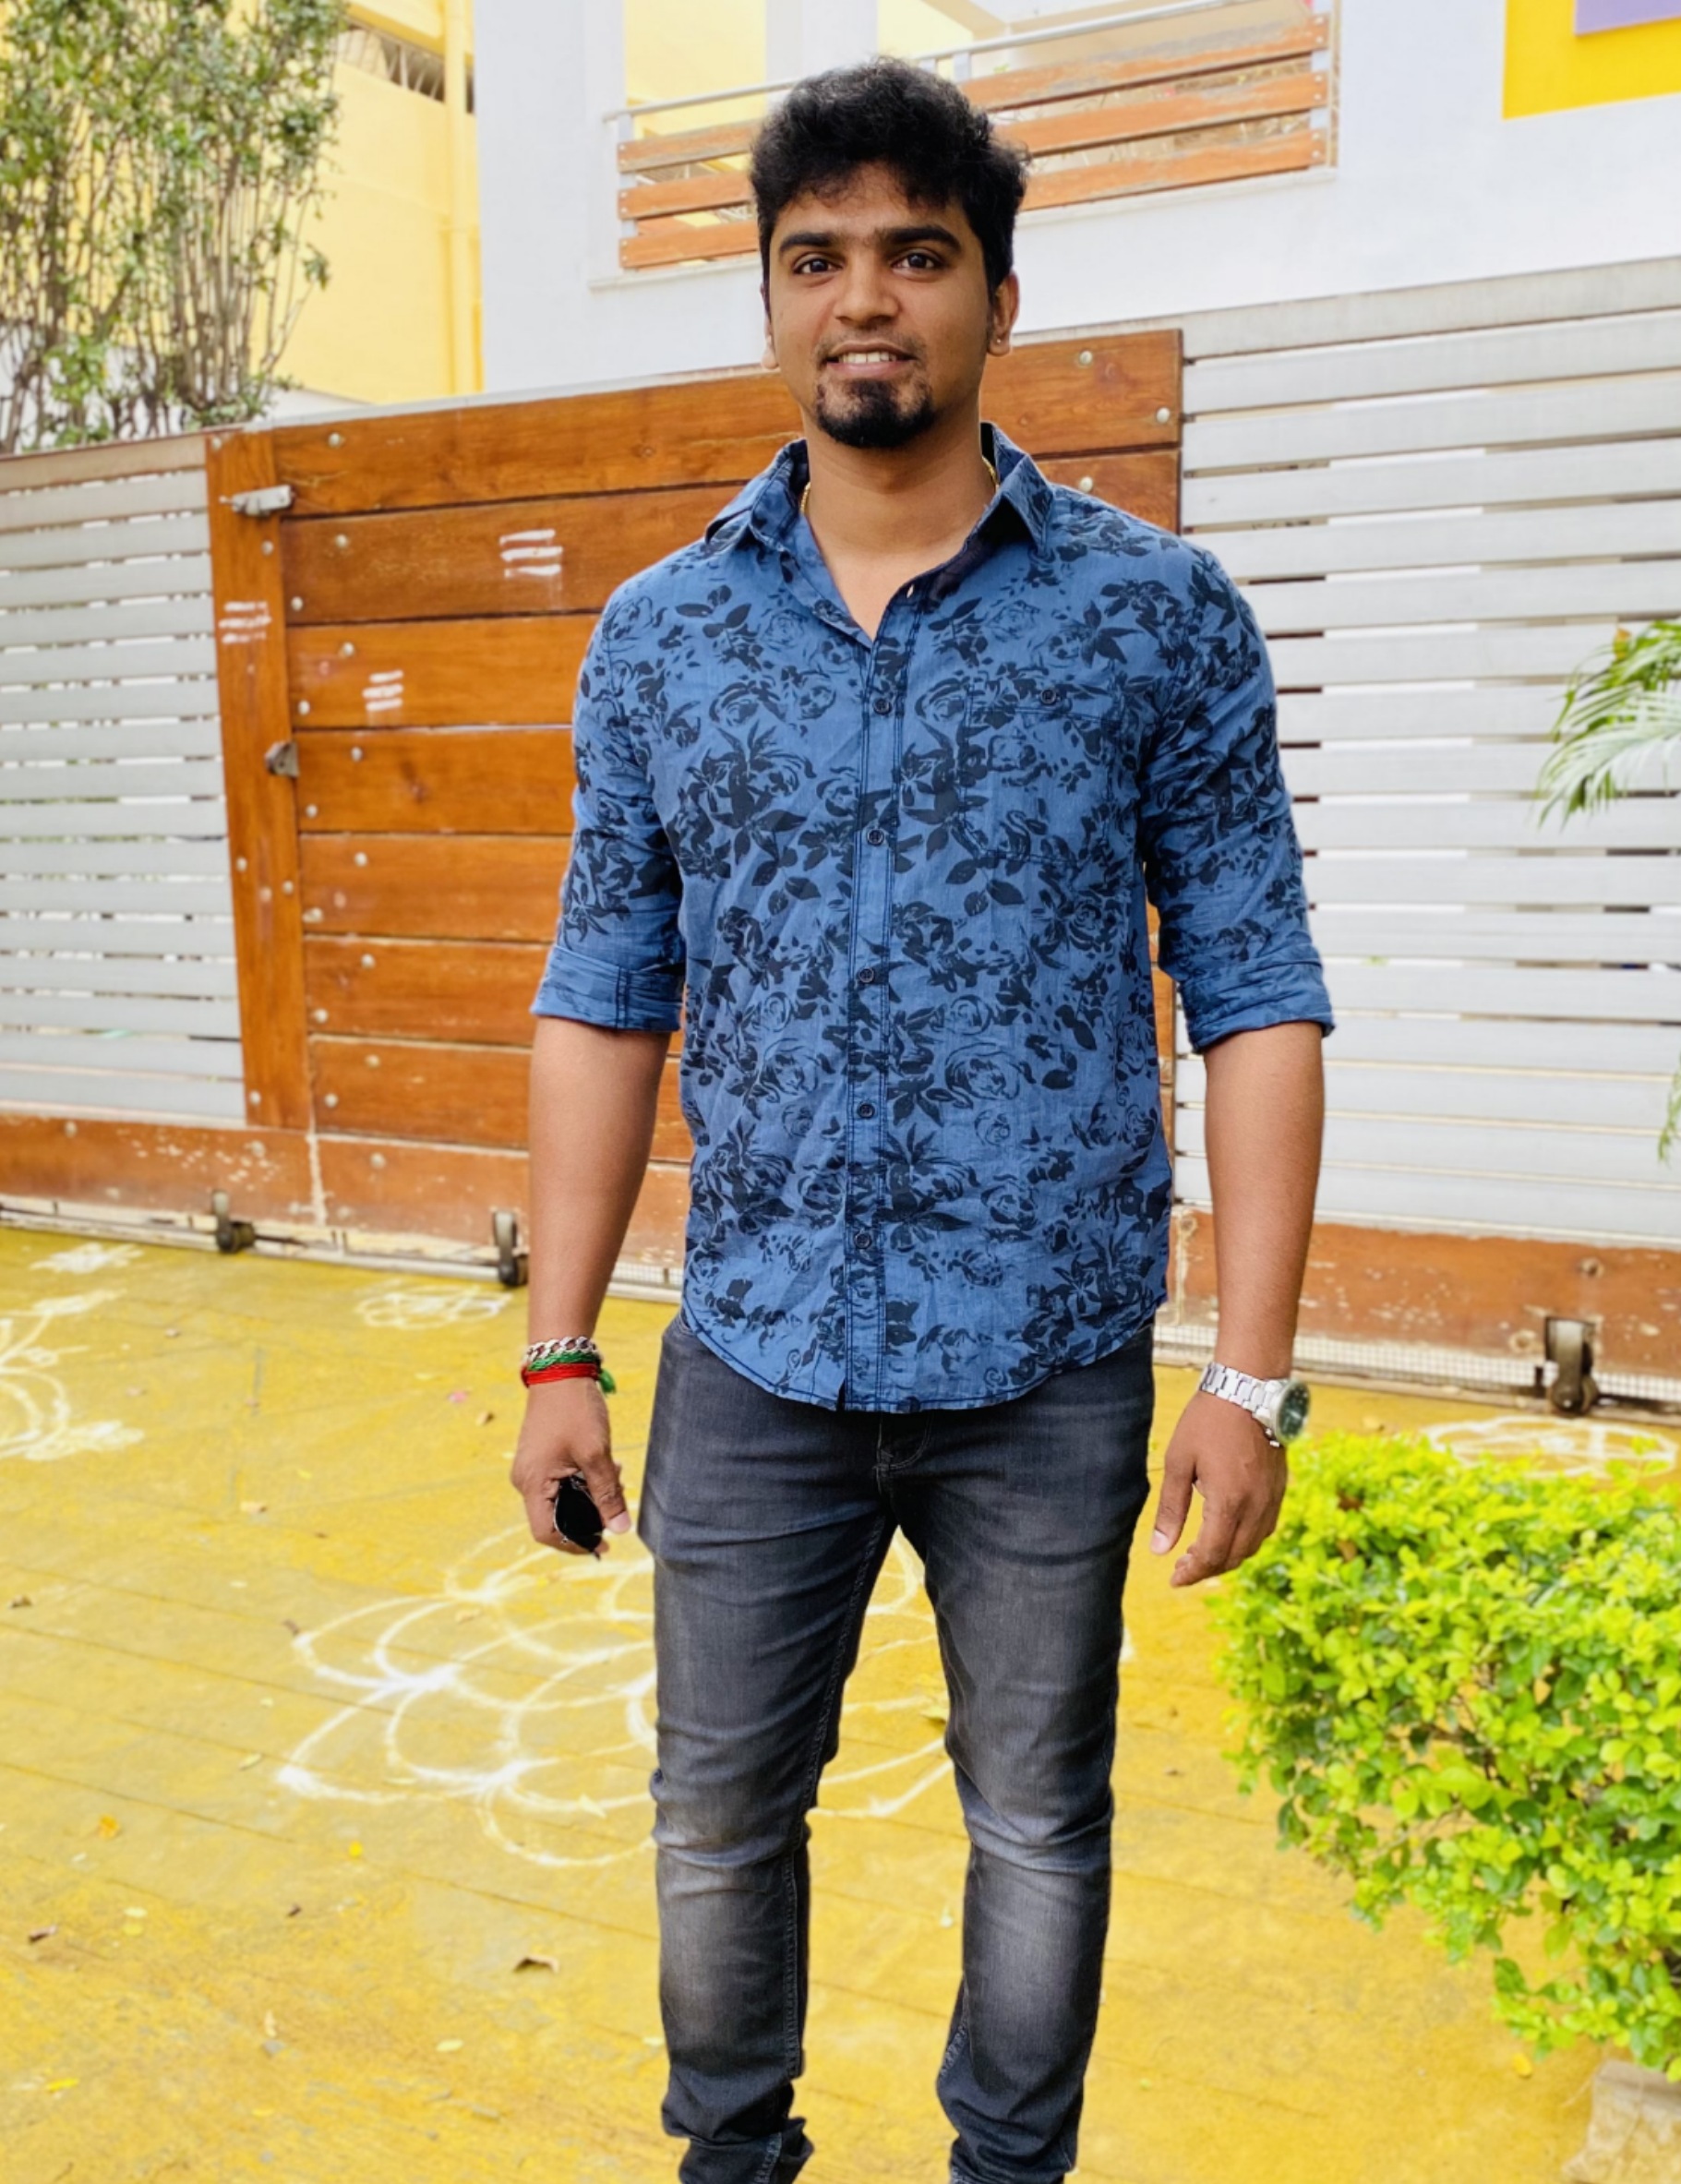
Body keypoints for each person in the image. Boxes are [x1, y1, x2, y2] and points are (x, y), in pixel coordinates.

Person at [510, 55, 1330, 2184]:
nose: (864, 297)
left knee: (1039, 1821)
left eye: (915, 254)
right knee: (715, 1815)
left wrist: (1249, 1371)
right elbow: (603, 994)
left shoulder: (1155, 618)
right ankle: (733, 2160)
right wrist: (555, 1344)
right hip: (756, 1352)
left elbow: (1255, 992)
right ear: (770, 301)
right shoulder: (661, 641)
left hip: (1045, 1365)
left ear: (997, 296)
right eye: (817, 259)